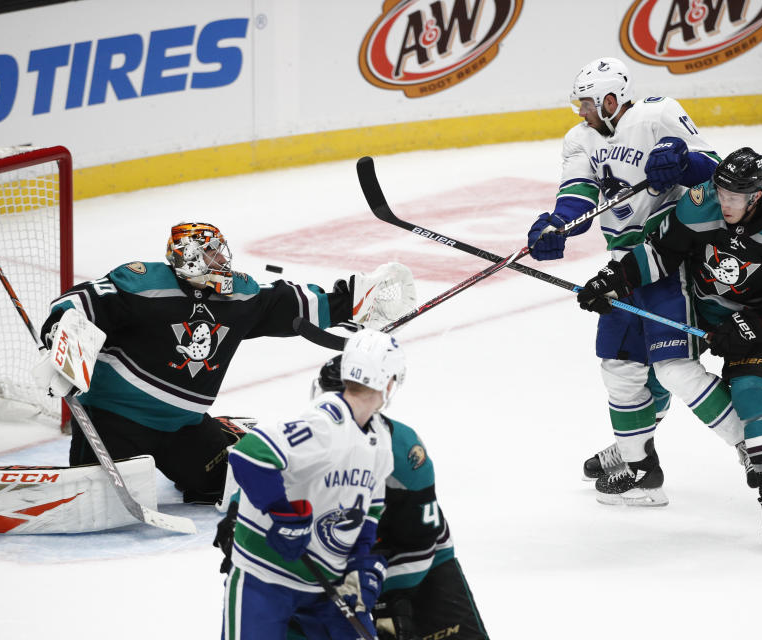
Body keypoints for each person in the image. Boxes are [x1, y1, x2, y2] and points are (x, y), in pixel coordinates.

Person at [35, 221, 416, 504]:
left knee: (222, 486)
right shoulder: (143, 283)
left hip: (182, 427)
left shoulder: (239, 296)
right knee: (96, 497)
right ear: (187, 257)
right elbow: (81, 302)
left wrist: (355, 299)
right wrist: (60, 338)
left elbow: (287, 303)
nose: (222, 260)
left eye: (221, 251)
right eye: (211, 253)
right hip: (114, 421)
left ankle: (222, 430)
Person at [526, 56, 744, 506]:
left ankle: (752, 449)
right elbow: (578, 198)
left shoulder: (658, 114)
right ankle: (640, 468)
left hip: (670, 255)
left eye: (586, 103)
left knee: (672, 369)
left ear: (610, 99)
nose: (580, 111)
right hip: (624, 264)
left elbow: (716, 168)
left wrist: (682, 162)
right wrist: (556, 226)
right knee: (621, 369)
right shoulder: (578, 139)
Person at [576, 147, 762, 550]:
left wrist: (750, 324)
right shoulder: (701, 201)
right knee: (660, 373)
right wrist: (614, 278)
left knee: (752, 395)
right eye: (721, 192)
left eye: (734, 198)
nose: (724, 202)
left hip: (751, 318)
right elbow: (662, 253)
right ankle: (634, 450)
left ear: (756, 196)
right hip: (697, 305)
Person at [218, 329, 404, 639]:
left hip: (326, 587)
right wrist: (284, 515)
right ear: (387, 380)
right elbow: (248, 455)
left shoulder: (380, 438)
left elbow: (370, 508)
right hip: (264, 577)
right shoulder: (326, 424)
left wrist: (359, 564)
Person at [310, 353, 488, 640]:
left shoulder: (404, 452)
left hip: (413, 564)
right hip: (334, 570)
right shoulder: (303, 441)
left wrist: (390, 598)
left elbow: (422, 540)